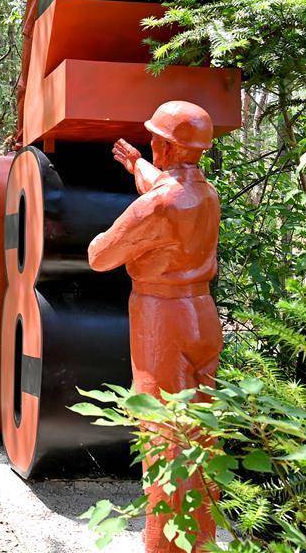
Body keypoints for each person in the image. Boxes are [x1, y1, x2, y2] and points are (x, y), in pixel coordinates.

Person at [87, 101, 222, 553]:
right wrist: (136, 165)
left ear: (166, 145)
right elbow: (168, 186)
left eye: (152, 140)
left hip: (161, 321)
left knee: (162, 438)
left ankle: (160, 546)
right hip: (202, 316)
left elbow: (100, 256)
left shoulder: (157, 206)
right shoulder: (205, 193)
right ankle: (200, 543)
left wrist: (103, 236)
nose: (148, 144)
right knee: (200, 435)